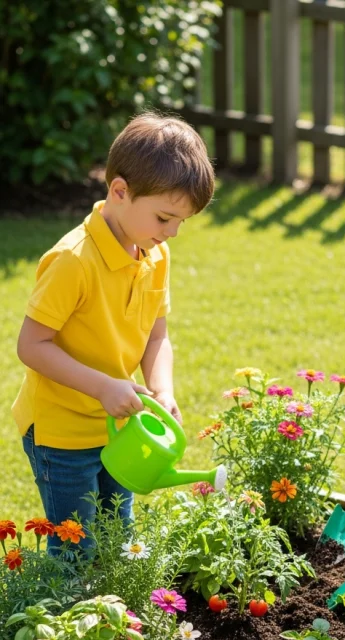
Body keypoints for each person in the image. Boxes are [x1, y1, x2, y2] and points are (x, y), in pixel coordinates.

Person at [13, 112, 215, 550]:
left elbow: (156, 335)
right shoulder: (74, 261)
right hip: (61, 431)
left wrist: (162, 391)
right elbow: (31, 345)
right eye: (164, 218)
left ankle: (116, 617)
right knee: (76, 547)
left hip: (120, 427)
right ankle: (64, 616)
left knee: (120, 535)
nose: (173, 233)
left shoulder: (153, 254)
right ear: (120, 191)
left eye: (182, 222)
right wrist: (104, 386)